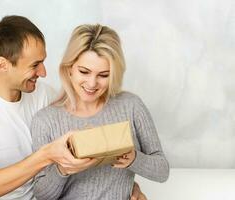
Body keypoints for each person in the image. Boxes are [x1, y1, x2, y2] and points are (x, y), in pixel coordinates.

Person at [0, 16, 146, 200]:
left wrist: (125, 185)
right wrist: (45, 156)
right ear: (3, 65)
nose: (44, 72)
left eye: (43, 62)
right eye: (35, 65)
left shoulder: (44, 95)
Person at [31, 24, 169, 200]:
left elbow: (162, 171)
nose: (92, 83)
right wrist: (63, 169)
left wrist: (134, 159)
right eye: (84, 72)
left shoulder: (131, 106)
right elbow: (42, 195)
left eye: (103, 75)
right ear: (69, 69)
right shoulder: (45, 120)